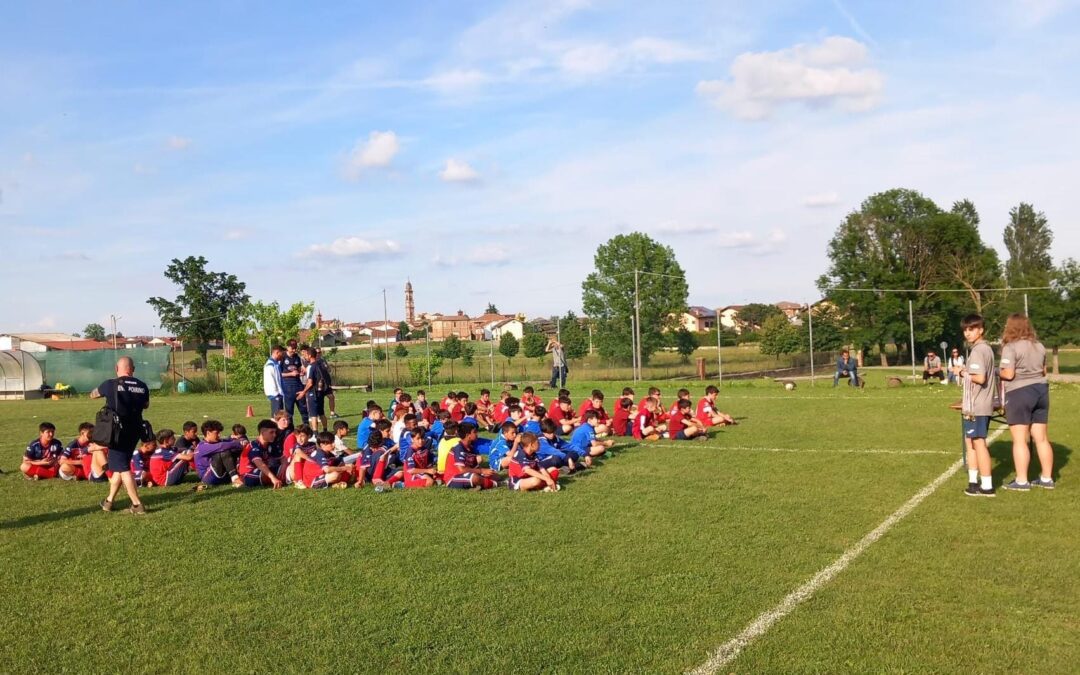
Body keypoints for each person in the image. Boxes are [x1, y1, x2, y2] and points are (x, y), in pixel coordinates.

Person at [999, 314, 1054, 491]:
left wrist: (995, 371)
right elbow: (1044, 371)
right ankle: (1047, 478)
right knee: (1042, 438)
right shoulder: (1039, 346)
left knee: (1020, 439)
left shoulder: (1011, 347)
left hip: (1020, 392)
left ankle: (1022, 481)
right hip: (1042, 391)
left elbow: (1008, 374)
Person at [92, 356, 150, 514]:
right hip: (135, 430)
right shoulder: (142, 386)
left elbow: (94, 394)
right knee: (119, 465)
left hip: (116, 431)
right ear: (133, 369)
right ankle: (109, 501)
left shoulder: (110, 384)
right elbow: (146, 405)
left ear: (117, 369)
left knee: (123, 467)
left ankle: (137, 504)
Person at [953, 314, 996, 497]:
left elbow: (980, 378)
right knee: (971, 442)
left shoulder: (979, 350)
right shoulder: (984, 349)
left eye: (972, 329)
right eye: (965, 330)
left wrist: (961, 372)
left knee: (978, 443)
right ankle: (973, 482)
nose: (968, 333)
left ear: (981, 330)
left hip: (977, 405)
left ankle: (986, 486)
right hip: (977, 404)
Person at [239, 419, 284, 488]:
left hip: (264, 470)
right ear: (262, 432)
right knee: (267, 473)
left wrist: (284, 467)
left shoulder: (271, 444)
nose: (274, 435)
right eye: (271, 432)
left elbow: (283, 458)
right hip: (248, 474)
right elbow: (259, 464)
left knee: (285, 468)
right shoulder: (254, 445)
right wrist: (273, 478)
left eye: (275, 432)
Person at [279, 339, 305, 424]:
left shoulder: (297, 357)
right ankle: (290, 430)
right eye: (292, 348)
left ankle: (307, 429)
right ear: (287, 347)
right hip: (288, 387)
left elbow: (299, 368)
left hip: (298, 385)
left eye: (295, 348)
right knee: (289, 412)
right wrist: (290, 374)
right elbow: (279, 374)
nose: (294, 350)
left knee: (304, 410)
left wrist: (301, 372)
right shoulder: (282, 357)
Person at [263, 345, 285, 416]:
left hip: (279, 394)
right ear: (277, 352)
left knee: (279, 416)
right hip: (275, 395)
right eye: (282, 353)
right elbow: (270, 381)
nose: (283, 355)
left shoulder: (276, 364)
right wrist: (276, 394)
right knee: (277, 417)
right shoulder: (270, 365)